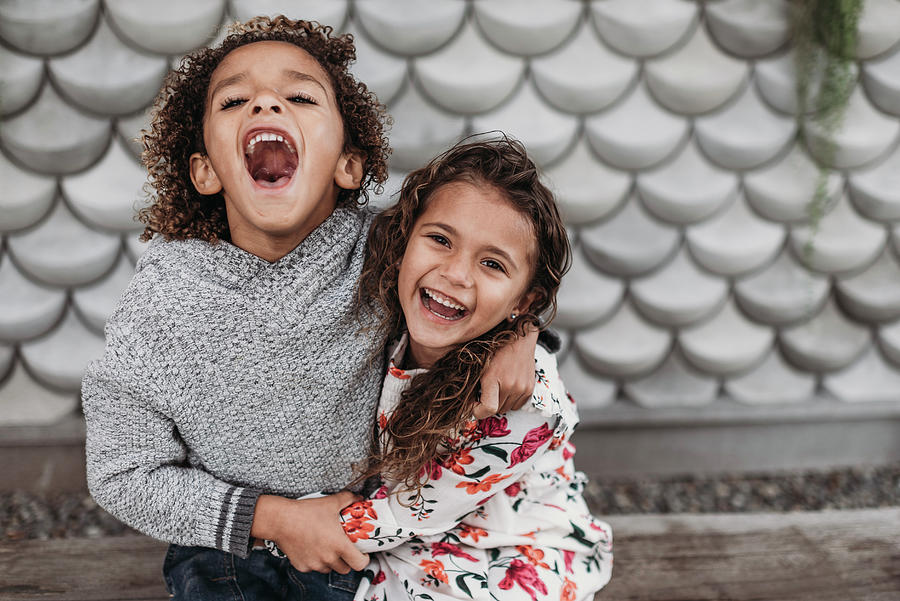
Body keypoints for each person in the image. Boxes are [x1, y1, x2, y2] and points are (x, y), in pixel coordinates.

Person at [81, 17, 539, 600]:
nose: (267, 104)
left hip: (362, 535)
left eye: (299, 97)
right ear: (204, 170)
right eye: (235, 101)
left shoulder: (388, 251)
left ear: (348, 162)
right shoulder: (159, 302)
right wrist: (271, 519)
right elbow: (121, 475)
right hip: (225, 543)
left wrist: (520, 334)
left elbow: (483, 275)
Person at [266, 137, 614, 600]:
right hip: (414, 539)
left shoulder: (516, 401)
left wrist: (275, 522)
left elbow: (407, 513)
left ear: (523, 301)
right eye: (440, 240)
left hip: (501, 557)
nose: (455, 273)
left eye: (491, 263)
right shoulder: (390, 315)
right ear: (405, 237)